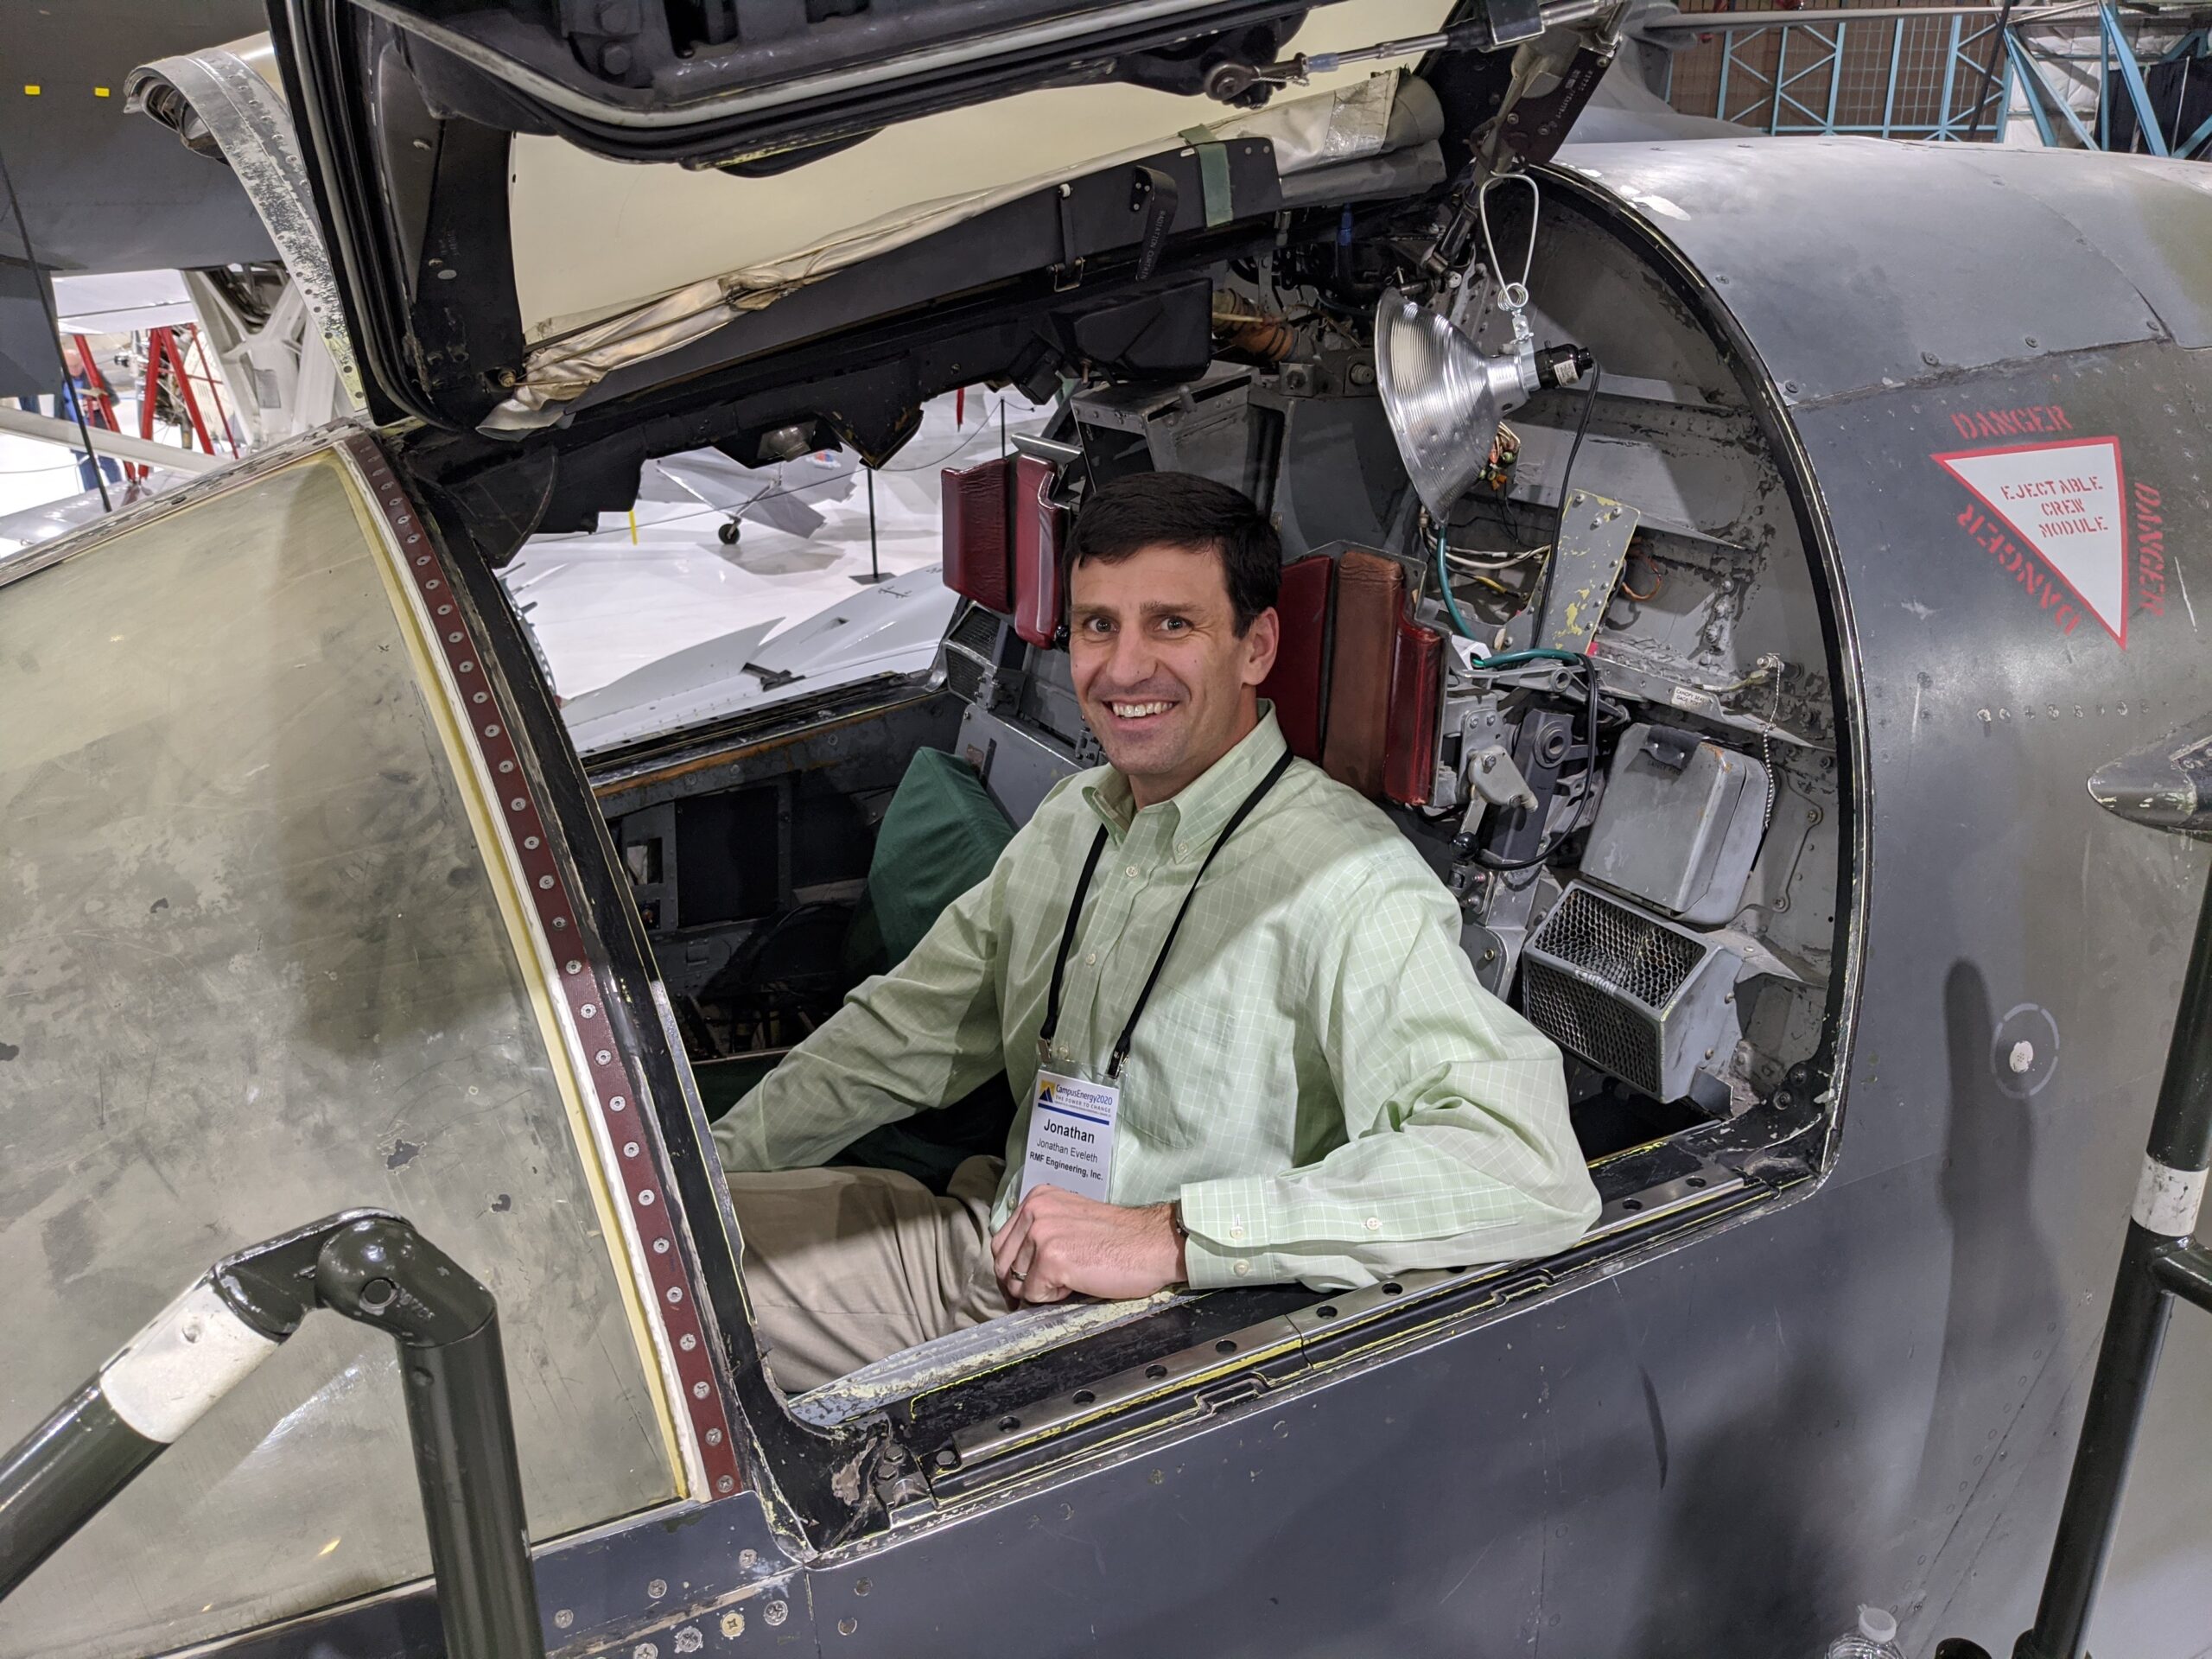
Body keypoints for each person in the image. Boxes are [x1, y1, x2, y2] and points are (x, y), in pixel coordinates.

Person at [713, 472, 1599, 1392]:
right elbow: (894, 1036)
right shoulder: (1072, 821)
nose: (1123, 669)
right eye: (1099, 625)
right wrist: (705, 1171)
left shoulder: (1350, 883)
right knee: (643, 1253)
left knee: (656, 1328)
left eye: (1171, 624)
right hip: (986, 1238)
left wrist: (1172, 1235)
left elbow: (1525, 1165)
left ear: (1256, 647)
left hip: (1131, 1335)